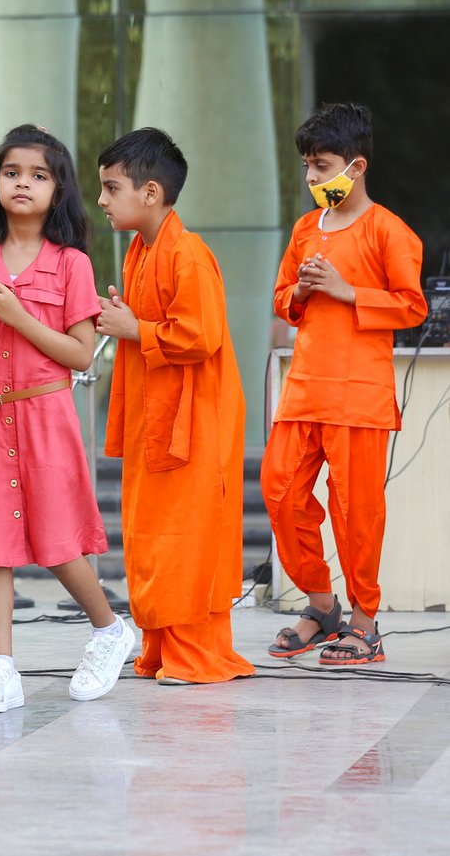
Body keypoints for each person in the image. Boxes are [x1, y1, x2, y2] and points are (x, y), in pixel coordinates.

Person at [0, 125, 134, 713]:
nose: (22, 183)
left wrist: (18, 316)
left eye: (38, 174)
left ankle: (109, 630)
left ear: (58, 190)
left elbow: (81, 354)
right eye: (11, 173)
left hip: (46, 413)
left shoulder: (72, 263)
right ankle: (0, 668)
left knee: (56, 542)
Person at [261, 104, 426, 666]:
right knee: (280, 492)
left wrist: (347, 290)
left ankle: (364, 622)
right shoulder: (307, 227)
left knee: (357, 512)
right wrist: (303, 295)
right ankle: (321, 605)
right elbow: (284, 298)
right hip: (304, 388)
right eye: (307, 165)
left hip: (360, 395)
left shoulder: (390, 231)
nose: (311, 177)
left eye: (321, 165)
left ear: (355, 167)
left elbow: (412, 306)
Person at [95, 127, 253, 685]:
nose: (102, 200)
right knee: (150, 532)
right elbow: (153, 326)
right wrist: (126, 318)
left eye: (112, 188)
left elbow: (201, 336)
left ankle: (197, 655)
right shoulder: (142, 250)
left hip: (195, 419)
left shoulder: (189, 253)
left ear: (151, 192)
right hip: (156, 418)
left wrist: (131, 326)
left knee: (186, 534)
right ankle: (164, 649)